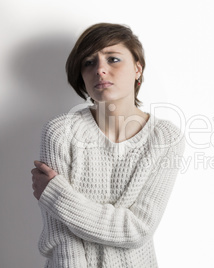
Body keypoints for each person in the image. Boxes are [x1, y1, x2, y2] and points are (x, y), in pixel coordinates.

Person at [30, 23, 186, 268]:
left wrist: (57, 195)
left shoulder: (165, 137)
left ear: (138, 69)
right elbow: (61, 236)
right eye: (89, 62)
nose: (100, 70)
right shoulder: (60, 132)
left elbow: (136, 229)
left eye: (113, 59)